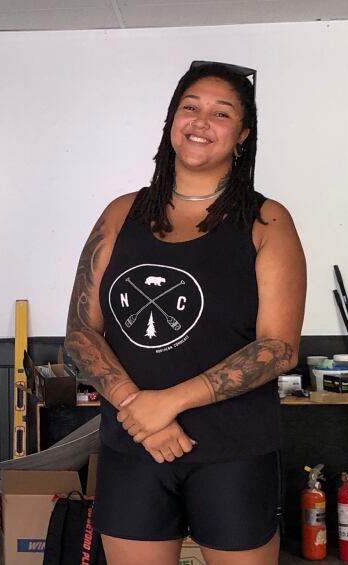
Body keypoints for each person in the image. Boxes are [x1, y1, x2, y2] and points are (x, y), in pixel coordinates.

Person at [64, 61, 306, 565]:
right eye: (190, 107)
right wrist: (138, 406)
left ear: (241, 135)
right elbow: (80, 332)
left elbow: (278, 348)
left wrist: (168, 402)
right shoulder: (121, 213)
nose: (201, 121)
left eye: (221, 113)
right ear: (172, 120)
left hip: (233, 451)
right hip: (135, 447)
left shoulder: (266, 221)